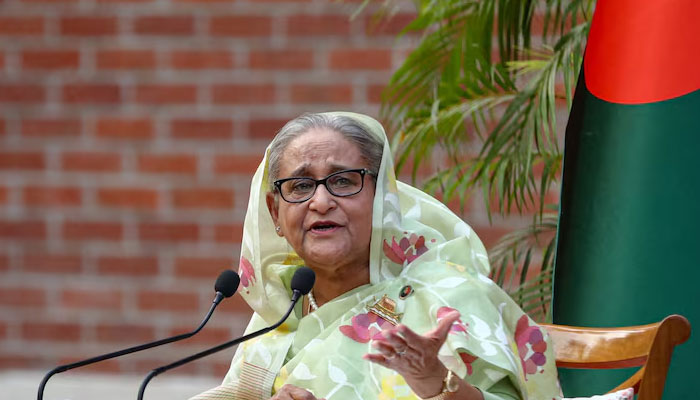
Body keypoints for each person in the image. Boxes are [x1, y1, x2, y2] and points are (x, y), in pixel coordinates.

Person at [193, 112, 560, 400]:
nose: (321, 202)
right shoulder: (279, 316)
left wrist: (435, 382)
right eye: (301, 186)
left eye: (343, 181)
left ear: (382, 198)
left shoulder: (449, 298)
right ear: (275, 213)